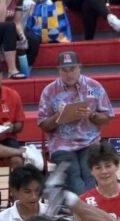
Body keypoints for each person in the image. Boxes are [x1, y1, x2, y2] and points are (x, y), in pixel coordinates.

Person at [38, 51, 114, 195]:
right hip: (61, 145)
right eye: (64, 70)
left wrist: (91, 115)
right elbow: (43, 125)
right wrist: (59, 116)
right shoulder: (49, 91)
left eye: (72, 69)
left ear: (80, 67)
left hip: (90, 143)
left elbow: (107, 117)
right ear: (58, 70)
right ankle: (85, 205)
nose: (69, 74)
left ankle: (86, 204)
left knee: (89, 174)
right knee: (74, 178)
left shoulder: (94, 86)